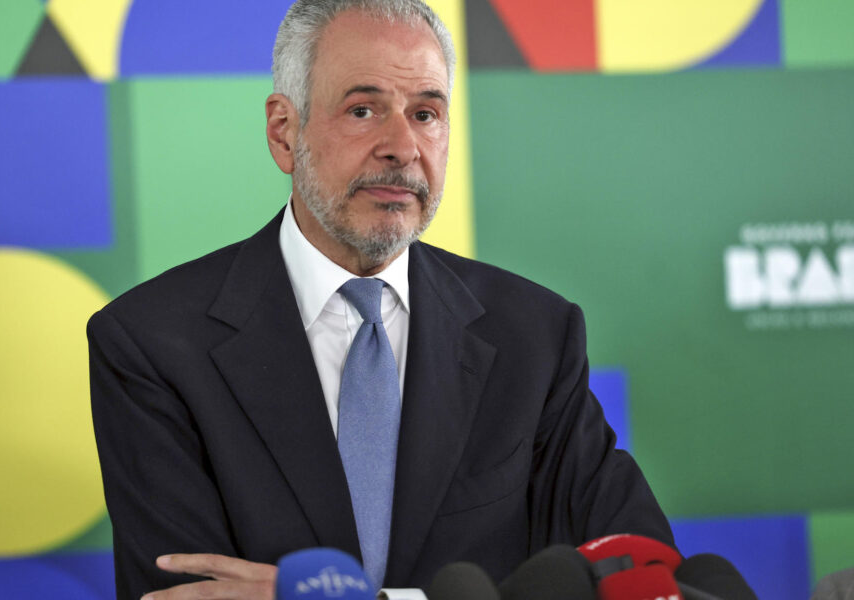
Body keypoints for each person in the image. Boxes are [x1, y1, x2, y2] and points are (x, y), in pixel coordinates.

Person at [87, 1, 675, 598]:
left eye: (426, 113)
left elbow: (643, 576)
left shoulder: (536, 335)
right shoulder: (152, 344)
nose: (402, 145)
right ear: (284, 133)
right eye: (363, 110)